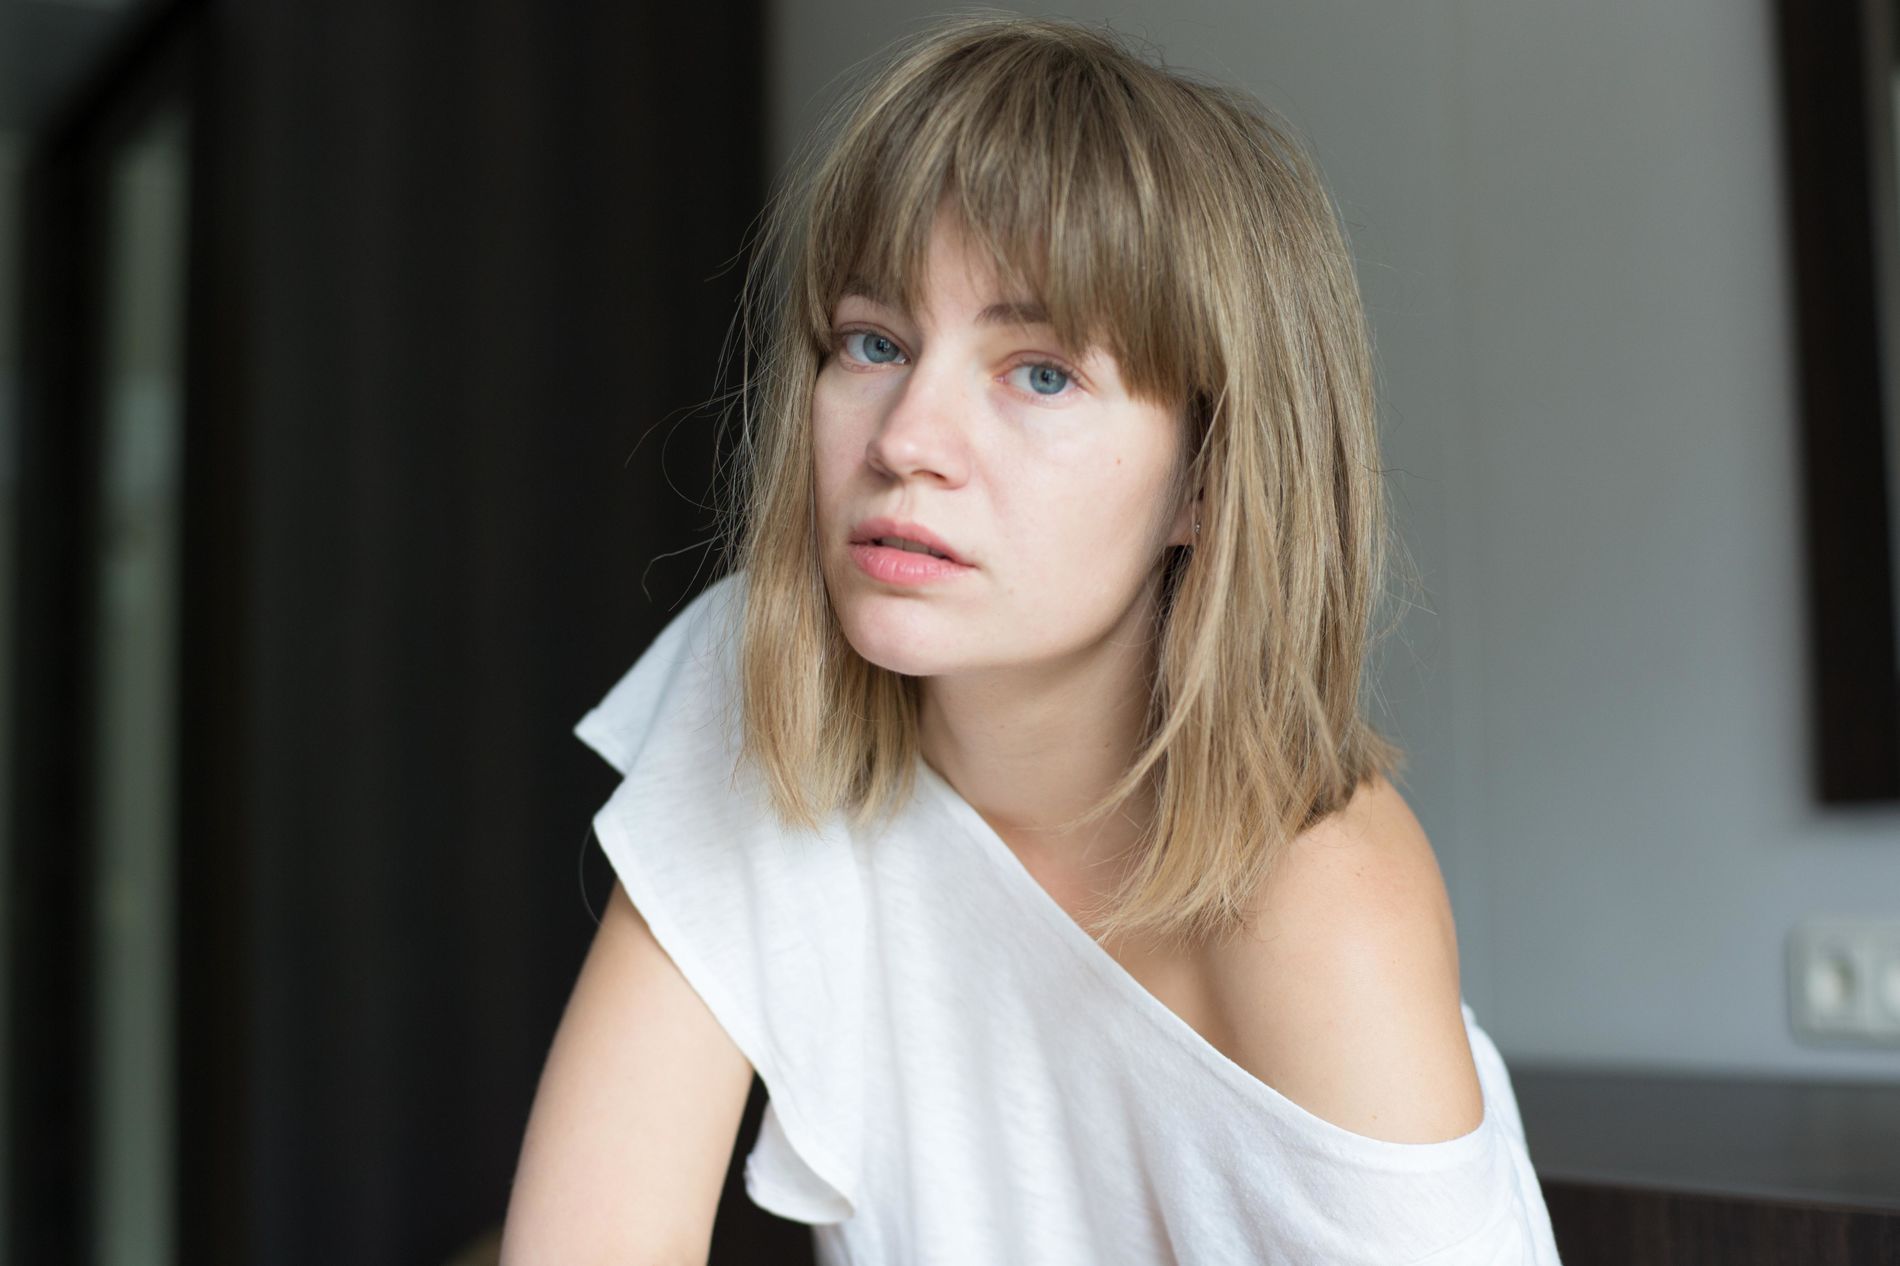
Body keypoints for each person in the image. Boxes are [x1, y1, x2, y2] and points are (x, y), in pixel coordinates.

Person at [501, 13, 1563, 1265]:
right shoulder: (761, 687)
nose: (904, 440)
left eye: (1041, 373)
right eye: (873, 343)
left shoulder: (1317, 895)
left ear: (1206, 479)